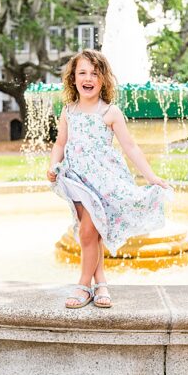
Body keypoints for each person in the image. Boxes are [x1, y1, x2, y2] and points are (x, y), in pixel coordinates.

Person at [47, 50, 173, 309]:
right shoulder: (68, 111)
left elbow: (131, 147)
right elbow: (60, 143)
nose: (88, 78)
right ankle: (100, 282)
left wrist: (152, 177)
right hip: (76, 179)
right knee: (90, 233)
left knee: (89, 231)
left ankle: (84, 285)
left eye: (95, 73)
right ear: (73, 79)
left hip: (104, 181)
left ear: (104, 79)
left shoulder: (110, 112)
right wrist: (53, 165)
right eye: (82, 72)